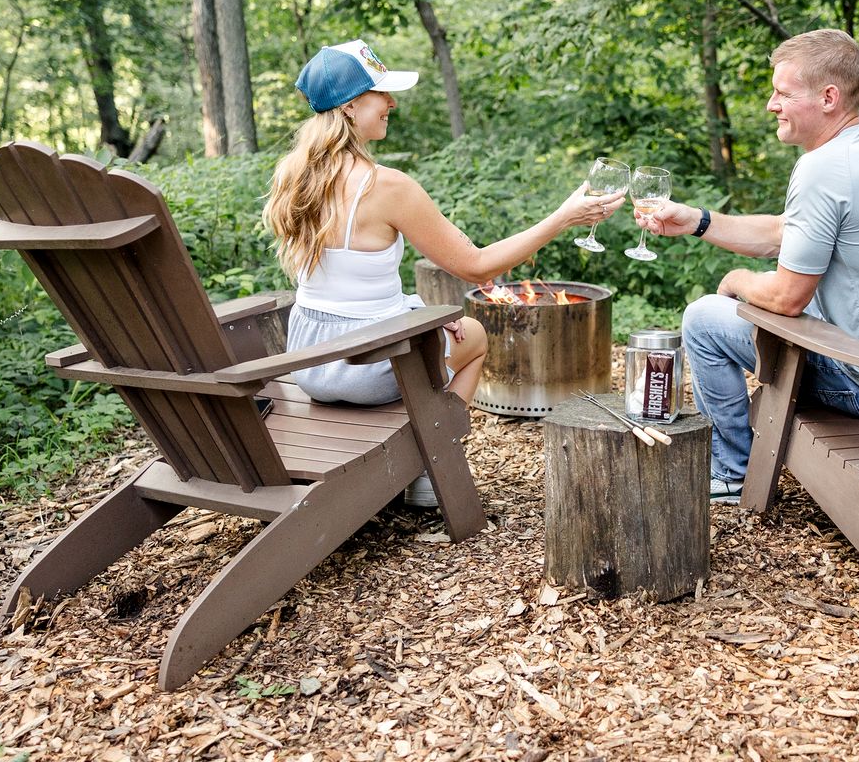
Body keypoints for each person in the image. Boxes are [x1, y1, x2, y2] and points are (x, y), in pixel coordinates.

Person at [264, 38, 624, 505]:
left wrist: (415, 313)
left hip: (310, 362)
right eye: (381, 93)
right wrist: (563, 217)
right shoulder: (386, 186)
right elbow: (477, 266)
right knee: (474, 335)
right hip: (366, 369)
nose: (392, 103)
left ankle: (418, 457)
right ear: (351, 106)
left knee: (439, 326)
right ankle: (431, 463)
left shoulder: (294, 176)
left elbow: (347, 289)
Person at [634, 29, 859, 504]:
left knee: (703, 320)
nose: (771, 105)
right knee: (742, 300)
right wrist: (698, 221)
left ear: (829, 98)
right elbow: (785, 232)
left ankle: (732, 472)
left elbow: (787, 298)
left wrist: (738, 280)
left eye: (784, 93)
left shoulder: (823, 168)